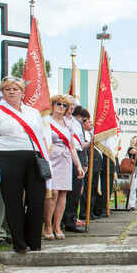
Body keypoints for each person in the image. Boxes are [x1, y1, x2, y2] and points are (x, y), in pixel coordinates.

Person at [0, 76, 50, 253]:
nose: (12, 92)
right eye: (7, 89)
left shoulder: (32, 112)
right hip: (8, 156)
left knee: (36, 199)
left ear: (22, 92)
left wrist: (47, 160)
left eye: (15, 89)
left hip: (34, 157)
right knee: (13, 202)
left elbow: (42, 138)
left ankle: (34, 241)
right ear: (2, 92)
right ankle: (19, 243)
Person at [42, 95, 85, 240]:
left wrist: (78, 165)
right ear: (52, 105)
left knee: (62, 194)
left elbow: (72, 146)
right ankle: (47, 226)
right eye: (58, 104)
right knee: (52, 193)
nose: (61, 107)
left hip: (65, 160)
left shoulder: (68, 124)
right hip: (51, 158)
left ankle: (57, 226)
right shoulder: (46, 121)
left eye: (64, 105)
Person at [63, 103, 87, 233]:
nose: (71, 106)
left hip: (77, 155)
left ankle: (71, 221)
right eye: (68, 104)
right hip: (63, 155)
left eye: (73, 104)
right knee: (62, 191)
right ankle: (59, 221)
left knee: (76, 190)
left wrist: (84, 163)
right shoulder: (58, 120)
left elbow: (81, 145)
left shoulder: (77, 123)